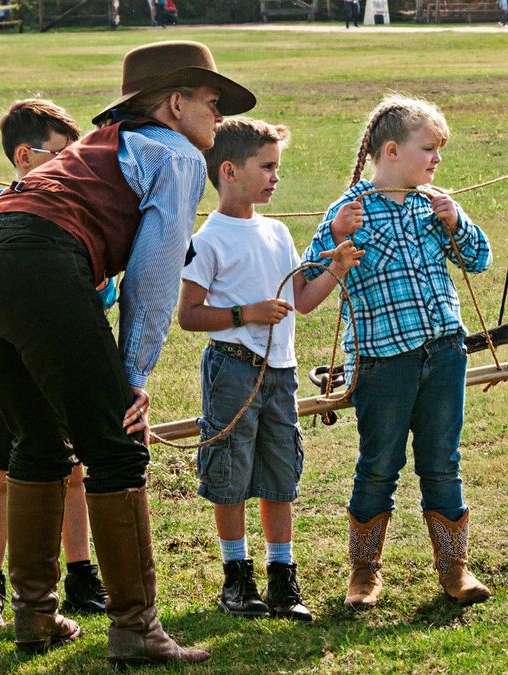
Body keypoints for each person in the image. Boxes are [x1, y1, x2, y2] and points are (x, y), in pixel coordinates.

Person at [0, 40, 256, 665]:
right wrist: (133, 374)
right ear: (175, 103)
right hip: (37, 261)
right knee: (115, 444)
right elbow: (155, 270)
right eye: (211, 102)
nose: (218, 118)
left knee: (37, 437)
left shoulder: (103, 147)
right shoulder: (174, 155)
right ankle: (137, 628)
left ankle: (35, 619)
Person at [301, 95, 493, 610]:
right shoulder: (351, 210)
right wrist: (336, 236)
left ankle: (455, 569)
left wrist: (459, 224)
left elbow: (479, 260)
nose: (436, 160)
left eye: (438, 151)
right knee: (379, 463)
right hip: (384, 361)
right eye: (428, 149)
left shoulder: (436, 206)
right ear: (391, 151)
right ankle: (364, 573)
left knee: (442, 461)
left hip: (445, 351)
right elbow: (309, 276)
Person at [177, 118, 364, 622]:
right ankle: (237, 577)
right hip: (232, 370)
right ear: (230, 171)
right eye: (267, 167)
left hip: (281, 372)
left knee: (281, 473)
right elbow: (189, 315)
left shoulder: (277, 231)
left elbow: (302, 300)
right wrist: (246, 314)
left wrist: (335, 269)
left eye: (277, 166)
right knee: (231, 472)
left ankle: (282, 577)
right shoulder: (207, 238)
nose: (275, 177)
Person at [0, 99, 109, 632]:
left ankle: (82, 576)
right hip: (17, 380)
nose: (72, 168)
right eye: (61, 157)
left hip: (63, 368)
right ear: (25, 156)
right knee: (1, 475)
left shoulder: (68, 215)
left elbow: (93, 292)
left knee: (74, 473)